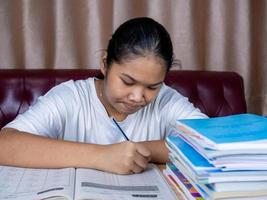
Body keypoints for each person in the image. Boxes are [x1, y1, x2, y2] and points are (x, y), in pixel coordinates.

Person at [0, 17, 207, 174]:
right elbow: (5, 144)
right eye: (127, 81)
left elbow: (212, 144)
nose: (137, 97)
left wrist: (138, 151)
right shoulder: (71, 98)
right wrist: (102, 155)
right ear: (105, 64)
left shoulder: (167, 99)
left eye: (152, 87)